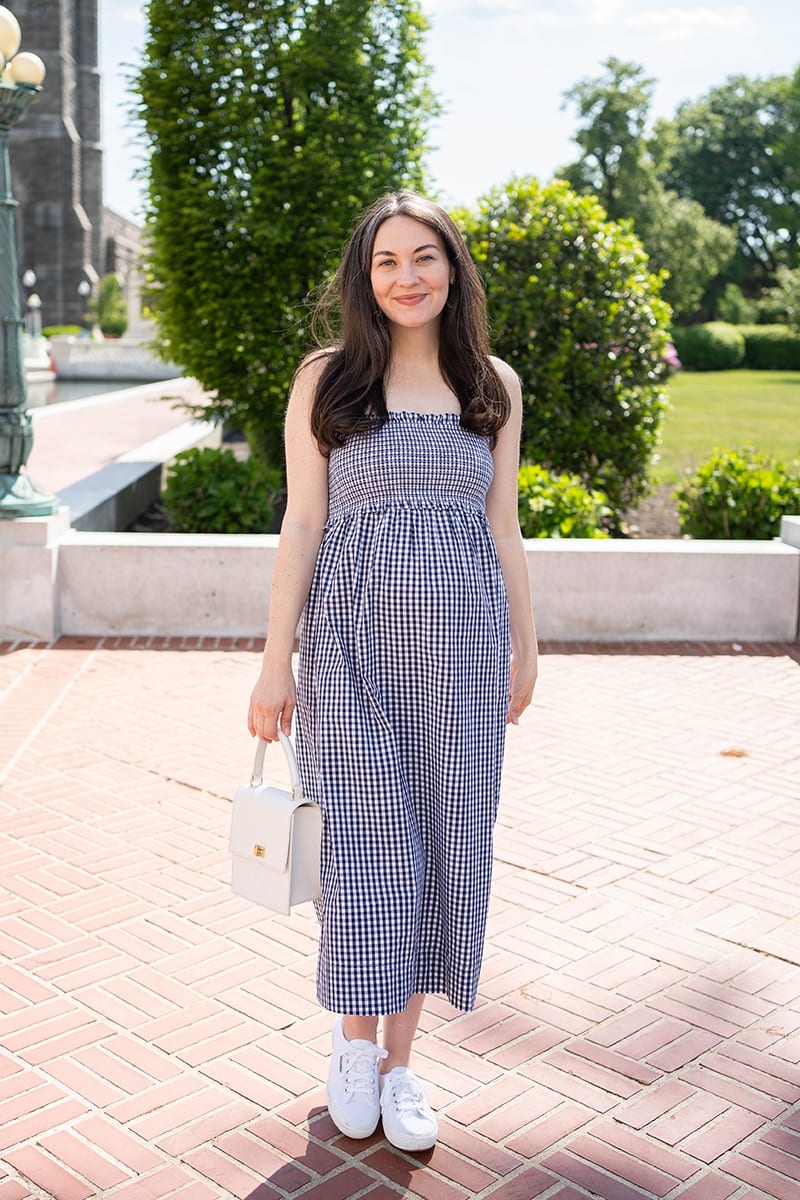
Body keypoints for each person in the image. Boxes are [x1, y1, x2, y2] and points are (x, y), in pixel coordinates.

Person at [247, 189, 537, 1152]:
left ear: (452, 269)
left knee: (445, 853)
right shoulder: (327, 380)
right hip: (350, 659)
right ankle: (351, 1042)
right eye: (387, 262)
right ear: (364, 280)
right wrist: (272, 662)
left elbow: (503, 525)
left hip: (463, 656)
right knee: (371, 853)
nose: (407, 277)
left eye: (424, 258)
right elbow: (303, 522)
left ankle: (403, 1067)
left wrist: (526, 644)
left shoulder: (491, 383)